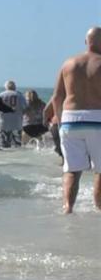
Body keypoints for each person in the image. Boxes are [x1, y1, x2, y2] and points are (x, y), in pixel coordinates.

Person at [50, 26, 101, 214]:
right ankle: (99, 209)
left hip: (71, 120)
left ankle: (68, 208)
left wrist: (61, 122)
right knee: (100, 170)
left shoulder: (68, 63)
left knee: (71, 169)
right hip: (98, 120)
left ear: (86, 42)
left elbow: (57, 97)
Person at [0, 80, 27, 148]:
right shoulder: (20, 95)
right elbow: (25, 109)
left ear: (5, 87)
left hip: (2, 123)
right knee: (17, 147)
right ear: (15, 87)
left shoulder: (0, 95)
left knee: (2, 146)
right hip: (16, 123)